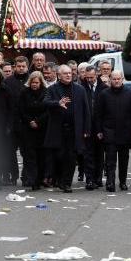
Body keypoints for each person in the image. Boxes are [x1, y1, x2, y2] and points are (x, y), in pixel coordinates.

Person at [43, 65, 90, 193]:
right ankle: (58, 180)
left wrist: (86, 129)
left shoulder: (80, 89)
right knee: (59, 156)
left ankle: (67, 183)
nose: (68, 75)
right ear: (59, 75)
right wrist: (57, 103)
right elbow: (45, 102)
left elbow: (86, 110)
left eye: (70, 73)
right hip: (58, 129)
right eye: (65, 73)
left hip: (74, 129)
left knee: (71, 158)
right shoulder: (52, 89)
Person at [97, 70, 131, 192]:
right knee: (110, 159)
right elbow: (99, 114)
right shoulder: (104, 94)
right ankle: (110, 182)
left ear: (122, 79)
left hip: (126, 131)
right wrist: (99, 130)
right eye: (114, 79)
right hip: (109, 130)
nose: (116, 81)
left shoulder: (130, 93)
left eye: (118, 79)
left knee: (123, 159)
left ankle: (122, 182)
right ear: (110, 80)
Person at [19, 71, 48, 191]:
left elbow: (47, 110)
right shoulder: (24, 93)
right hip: (28, 128)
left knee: (41, 155)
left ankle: (39, 179)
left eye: (36, 82)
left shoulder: (46, 93)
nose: (34, 85)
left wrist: (38, 121)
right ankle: (32, 179)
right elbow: (21, 110)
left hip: (42, 128)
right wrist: (30, 121)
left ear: (41, 83)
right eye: (32, 82)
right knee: (30, 155)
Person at [3, 56, 29, 185]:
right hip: (12, 122)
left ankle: (26, 176)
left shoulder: (32, 80)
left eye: (23, 66)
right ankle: (12, 176)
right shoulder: (8, 81)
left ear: (27, 66)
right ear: (15, 67)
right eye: (18, 66)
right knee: (9, 151)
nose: (21, 68)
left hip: (27, 123)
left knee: (27, 152)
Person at [83, 65, 108, 190]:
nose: (89, 80)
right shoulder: (81, 87)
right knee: (88, 153)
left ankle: (98, 177)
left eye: (91, 77)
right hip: (87, 126)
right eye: (87, 78)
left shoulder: (104, 88)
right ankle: (89, 178)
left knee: (99, 153)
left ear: (97, 75)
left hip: (100, 126)